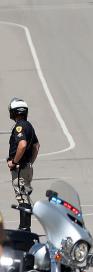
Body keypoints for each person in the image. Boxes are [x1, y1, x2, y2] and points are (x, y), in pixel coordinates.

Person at [7, 98, 39, 231]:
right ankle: (25, 227)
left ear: (15, 112)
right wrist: (30, 162)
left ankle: (25, 228)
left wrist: (14, 162)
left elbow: (22, 144)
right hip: (27, 167)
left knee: (22, 197)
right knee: (24, 195)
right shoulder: (29, 125)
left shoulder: (19, 127)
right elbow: (36, 146)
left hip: (20, 167)